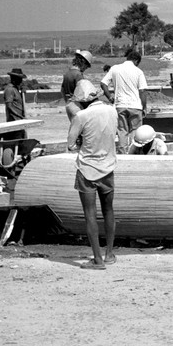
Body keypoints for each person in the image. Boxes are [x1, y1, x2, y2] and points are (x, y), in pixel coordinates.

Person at [67, 88, 118, 269]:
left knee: (90, 215)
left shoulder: (81, 116)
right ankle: (109, 253)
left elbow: (71, 145)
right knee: (108, 210)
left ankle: (97, 259)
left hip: (87, 170)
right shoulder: (112, 110)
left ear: (81, 102)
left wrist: (81, 142)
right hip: (108, 168)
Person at [102, 49, 149, 150]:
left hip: (120, 105)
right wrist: (144, 107)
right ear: (136, 61)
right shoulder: (138, 72)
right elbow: (142, 91)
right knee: (135, 131)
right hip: (135, 106)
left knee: (122, 131)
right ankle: (134, 152)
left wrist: (109, 97)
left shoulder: (115, 68)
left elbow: (103, 83)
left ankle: (123, 153)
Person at [61, 49, 94, 119]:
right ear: (83, 62)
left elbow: (62, 90)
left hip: (69, 105)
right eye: (86, 66)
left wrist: (68, 101)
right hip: (77, 106)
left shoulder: (67, 73)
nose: (86, 68)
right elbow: (82, 94)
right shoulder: (78, 75)